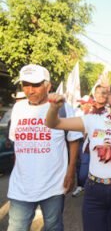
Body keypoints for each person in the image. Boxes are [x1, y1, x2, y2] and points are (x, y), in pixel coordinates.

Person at [45, 77, 111, 230]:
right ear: (109, 95)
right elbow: (53, 123)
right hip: (94, 190)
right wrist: (54, 108)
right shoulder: (92, 120)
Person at [7, 64, 82, 230]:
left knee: (53, 226)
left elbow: (73, 140)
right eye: (25, 85)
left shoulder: (62, 108)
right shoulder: (18, 108)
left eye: (36, 85)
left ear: (48, 86)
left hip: (53, 185)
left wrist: (70, 172)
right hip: (21, 185)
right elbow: (16, 142)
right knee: (16, 227)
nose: (30, 90)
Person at [72, 84, 109, 197]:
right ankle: (81, 186)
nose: (101, 95)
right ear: (94, 94)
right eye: (98, 93)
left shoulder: (110, 112)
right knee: (83, 172)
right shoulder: (87, 109)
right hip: (87, 145)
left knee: (100, 173)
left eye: (104, 93)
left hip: (103, 147)